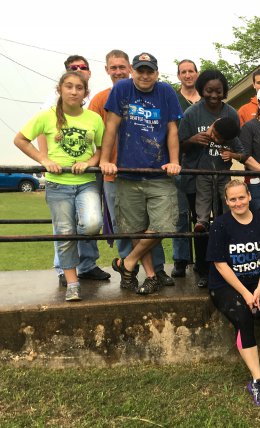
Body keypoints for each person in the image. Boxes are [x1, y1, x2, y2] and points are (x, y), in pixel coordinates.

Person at [14, 71, 104, 301]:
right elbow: (20, 139)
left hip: (85, 183)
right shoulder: (47, 116)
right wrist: (43, 160)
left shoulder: (93, 118)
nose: (74, 91)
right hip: (58, 185)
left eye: (79, 88)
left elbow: (101, 149)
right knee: (64, 235)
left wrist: (88, 162)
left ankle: (74, 236)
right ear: (60, 89)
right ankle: (72, 282)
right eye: (69, 86)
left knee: (93, 224)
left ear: (86, 92)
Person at [88, 50, 174, 287]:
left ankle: (132, 264)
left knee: (158, 226)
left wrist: (174, 160)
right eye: (112, 67)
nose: (118, 71)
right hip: (117, 172)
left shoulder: (160, 91)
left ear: (128, 68)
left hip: (153, 169)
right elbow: (105, 130)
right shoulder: (105, 97)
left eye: (121, 67)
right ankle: (138, 275)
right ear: (107, 70)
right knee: (129, 228)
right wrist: (104, 161)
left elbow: (171, 128)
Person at [207, 179, 260, 408]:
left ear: (249, 196)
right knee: (243, 315)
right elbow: (220, 265)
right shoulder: (220, 225)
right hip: (227, 285)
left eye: (242, 197)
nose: (238, 202)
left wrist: (259, 289)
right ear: (227, 201)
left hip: (258, 281)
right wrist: (246, 294)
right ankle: (258, 380)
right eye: (233, 199)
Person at [39, 55, 110, 287]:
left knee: (89, 220)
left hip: (86, 172)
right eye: (74, 69)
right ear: (62, 84)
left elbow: (98, 141)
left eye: (83, 67)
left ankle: (87, 265)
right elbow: (41, 131)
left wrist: (92, 162)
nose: (79, 70)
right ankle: (64, 268)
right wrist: (45, 160)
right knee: (64, 225)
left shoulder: (91, 102)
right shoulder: (53, 101)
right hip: (60, 176)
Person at [177, 69, 241, 287]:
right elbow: (179, 145)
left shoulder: (231, 113)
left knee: (225, 222)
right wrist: (193, 139)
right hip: (197, 176)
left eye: (219, 91)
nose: (214, 95)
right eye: (209, 91)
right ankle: (203, 269)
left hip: (222, 176)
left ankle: (224, 265)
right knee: (201, 221)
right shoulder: (192, 114)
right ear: (201, 90)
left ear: (224, 92)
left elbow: (237, 144)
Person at [172, 59, 201, 278]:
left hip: (204, 166)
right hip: (180, 164)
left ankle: (203, 261)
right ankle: (181, 260)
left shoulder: (206, 98)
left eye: (191, 71)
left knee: (202, 216)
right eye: (184, 72)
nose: (188, 75)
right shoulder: (173, 99)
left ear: (197, 74)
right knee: (180, 215)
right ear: (179, 75)